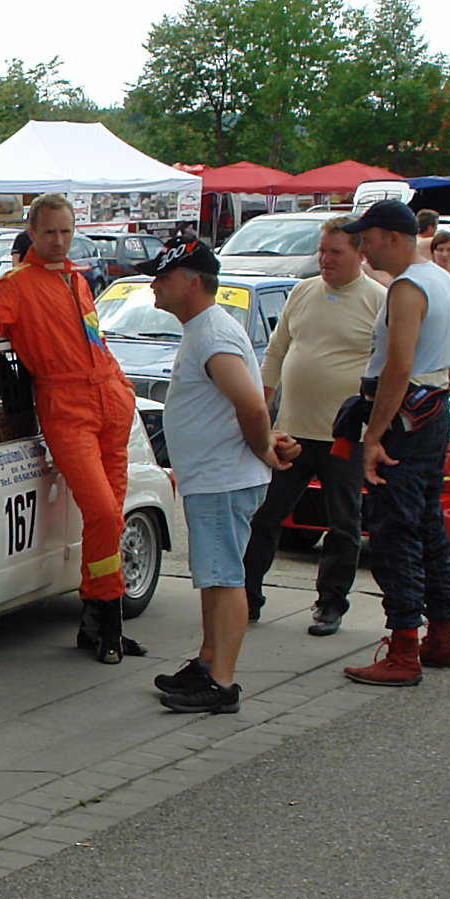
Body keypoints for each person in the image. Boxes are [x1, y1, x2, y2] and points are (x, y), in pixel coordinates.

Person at [0, 193, 143, 662]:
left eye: (66, 232)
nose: (58, 240)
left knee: (108, 517)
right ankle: (105, 620)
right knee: (106, 514)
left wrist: (122, 388)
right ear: (31, 233)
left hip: (109, 401)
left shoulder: (77, 279)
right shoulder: (19, 285)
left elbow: (95, 341)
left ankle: (98, 621)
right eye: (50, 232)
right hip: (67, 407)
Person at [140, 239, 296, 713]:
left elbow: (251, 404)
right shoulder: (204, 329)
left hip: (223, 478)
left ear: (192, 281)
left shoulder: (212, 334)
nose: (154, 285)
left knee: (226, 578)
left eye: (163, 278)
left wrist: (263, 447)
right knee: (213, 576)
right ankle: (208, 662)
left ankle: (222, 683)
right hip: (214, 477)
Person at [341, 200, 450, 686]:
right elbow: (447, 363)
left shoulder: (409, 287)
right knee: (428, 523)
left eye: (366, 238)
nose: (363, 248)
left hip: (405, 416)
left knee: (395, 531)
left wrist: (374, 434)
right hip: (432, 411)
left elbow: (398, 366)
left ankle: (404, 649)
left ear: (392, 237)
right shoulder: (441, 279)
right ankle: (442, 634)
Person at [242, 217, 383, 637]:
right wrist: (261, 413)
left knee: (343, 522)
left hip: (344, 437)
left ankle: (330, 604)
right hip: (292, 431)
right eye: (322, 250)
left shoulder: (378, 300)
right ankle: (246, 596)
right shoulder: (302, 291)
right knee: (266, 514)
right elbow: (277, 352)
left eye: (335, 252)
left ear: (359, 253)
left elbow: (389, 368)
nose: (325, 259)